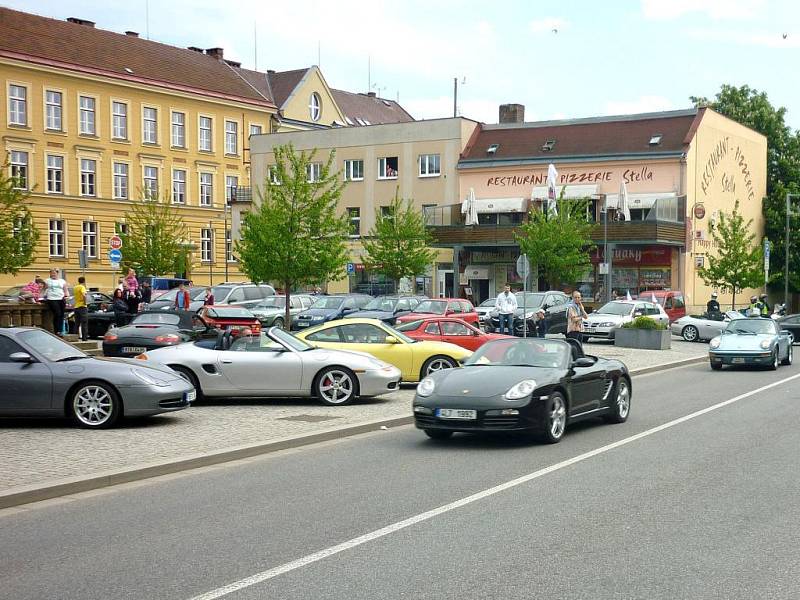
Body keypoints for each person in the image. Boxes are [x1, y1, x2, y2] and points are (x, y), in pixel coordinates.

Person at [44, 268, 69, 335]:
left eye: (54, 273)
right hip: (52, 298)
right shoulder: (47, 281)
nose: (53, 274)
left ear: (57, 273)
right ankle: (56, 330)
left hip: (61, 298)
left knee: (61, 314)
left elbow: (65, 289)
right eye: (51, 273)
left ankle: (60, 330)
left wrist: (66, 296)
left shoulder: (62, 281)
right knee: (57, 313)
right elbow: (44, 289)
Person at [73, 276, 89, 341]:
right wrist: (85, 302)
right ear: (84, 281)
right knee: (84, 323)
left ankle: (75, 338)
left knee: (77, 323)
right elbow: (84, 295)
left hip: (76, 306)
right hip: (82, 307)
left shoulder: (75, 287)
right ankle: (84, 338)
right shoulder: (82, 287)